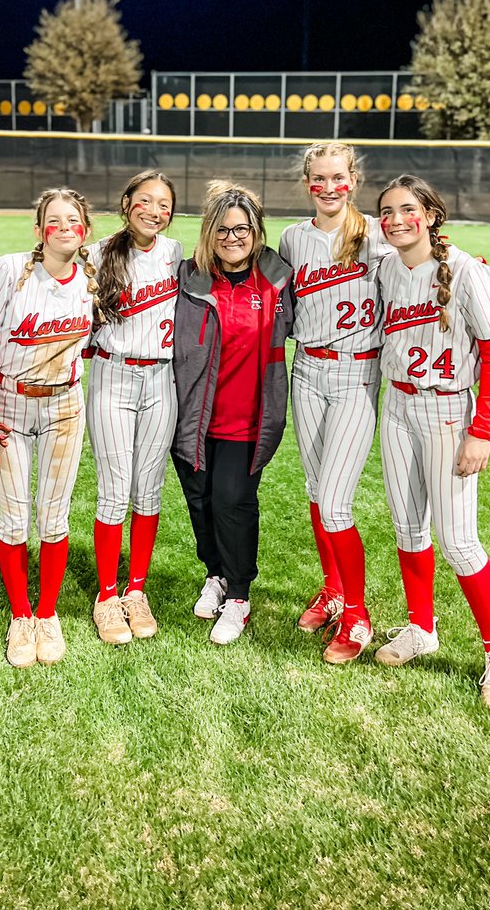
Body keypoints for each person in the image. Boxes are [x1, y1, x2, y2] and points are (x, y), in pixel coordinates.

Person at [374, 174, 490, 708]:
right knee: (408, 528)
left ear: (431, 215)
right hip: (397, 406)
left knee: (458, 541)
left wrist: (482, 431)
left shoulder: (466, 270)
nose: (395, 220)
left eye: (407, 209)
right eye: (386, 212)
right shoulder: (387, 267)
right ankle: (421, 628)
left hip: (447, 410)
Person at [0, 188, 97, 668]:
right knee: (15, 519)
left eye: (73, 220)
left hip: (66, 406)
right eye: (53, 220)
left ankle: (47, 613)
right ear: (39, 230)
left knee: (54, 517)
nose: (64, 227)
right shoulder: (9, 269)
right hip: (11, 407)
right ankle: (21, 616)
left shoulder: (92, 279)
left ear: (85, 230)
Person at [278, 142, 392, 664]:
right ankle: (333, 590)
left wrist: (460, 264)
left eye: (338, 177)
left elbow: (425, 263)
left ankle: (358, 614)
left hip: (356, 372)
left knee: (335, 502)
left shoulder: (377, 234)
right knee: (315, 489)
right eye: (319, 178)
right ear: (308, 183)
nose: (328, 187)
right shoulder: (293, 238)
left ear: (354, 181)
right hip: (306, 369)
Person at [171, 182, 294, 644]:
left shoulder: (278, 279)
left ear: (256, 231)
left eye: (241, 229)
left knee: (232, 500)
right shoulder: (189, 278)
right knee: (201, 501)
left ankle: (239, 594)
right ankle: (216, 575)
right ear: (209, 232)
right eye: (222, 229)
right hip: (193, 414)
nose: (232, 238)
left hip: (248, 419)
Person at [85, 171, 181, 645]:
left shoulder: (176, 253)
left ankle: (136, 590)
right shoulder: (98, 253)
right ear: (126, 203)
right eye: (145, 201)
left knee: (149, 490)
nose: (154, 211)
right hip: (113, 375)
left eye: (164, 205)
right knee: (114, 490)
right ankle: (107, 596)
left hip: (162, 378)